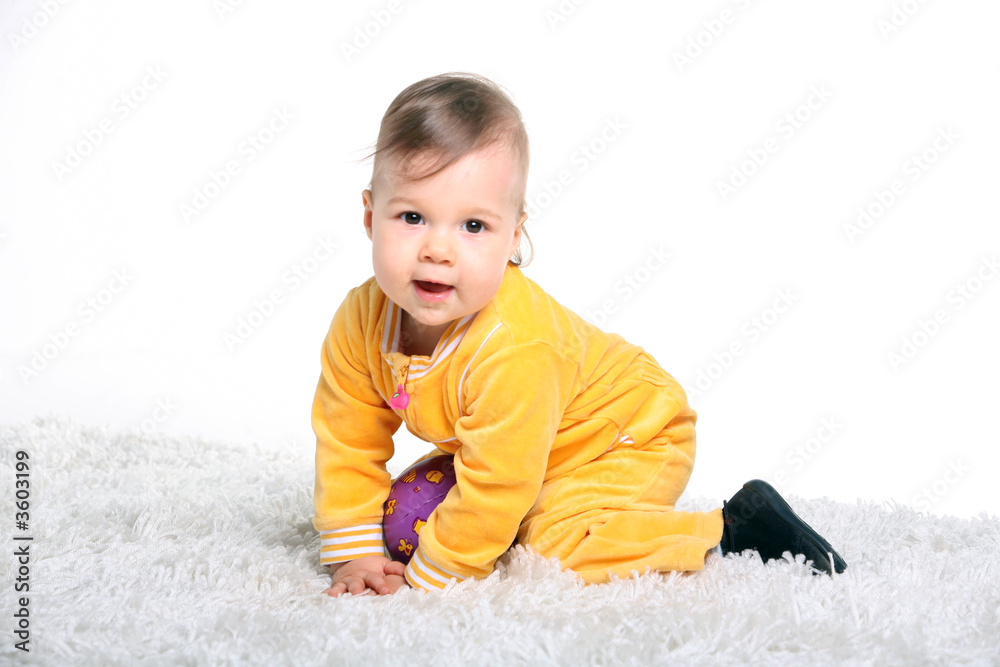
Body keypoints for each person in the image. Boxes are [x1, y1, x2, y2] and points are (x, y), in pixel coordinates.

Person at [312, 72, 846, 597]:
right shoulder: (359, 321)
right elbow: (347, 441)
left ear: (512, 237)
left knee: (552, 544)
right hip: (536, 447)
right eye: (412, 217)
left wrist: (434, 575)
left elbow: (498, 480)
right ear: (370, 217)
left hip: (629, 432)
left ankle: (733, 531)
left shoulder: (515, 346)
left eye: (473, 226)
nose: (438, 250)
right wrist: (355, 554)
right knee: (449, 503)